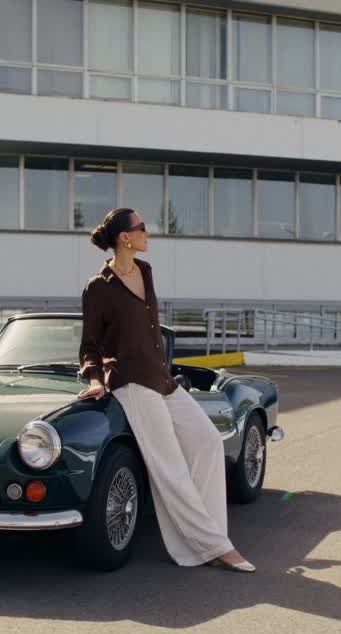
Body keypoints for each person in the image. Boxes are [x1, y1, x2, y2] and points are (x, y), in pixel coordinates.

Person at [77, 207, 255, 573]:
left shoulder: (145, 272)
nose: (148, 233)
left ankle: (206, 538)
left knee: (206, 440)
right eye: (142, 228)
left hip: (161, 379)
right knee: (170, 467)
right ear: (125, 238)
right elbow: (90, 345)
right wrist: (96, 382)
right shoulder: (99, 288)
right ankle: (217, 547)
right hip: (130, 382)